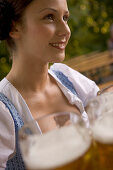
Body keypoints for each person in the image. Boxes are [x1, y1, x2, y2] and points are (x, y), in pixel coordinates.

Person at [0, 0, 99, 169]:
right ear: (14, 27)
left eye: (65, 17)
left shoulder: (70, 80)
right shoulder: (3, 112)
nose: (66, 30)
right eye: (49, 17)